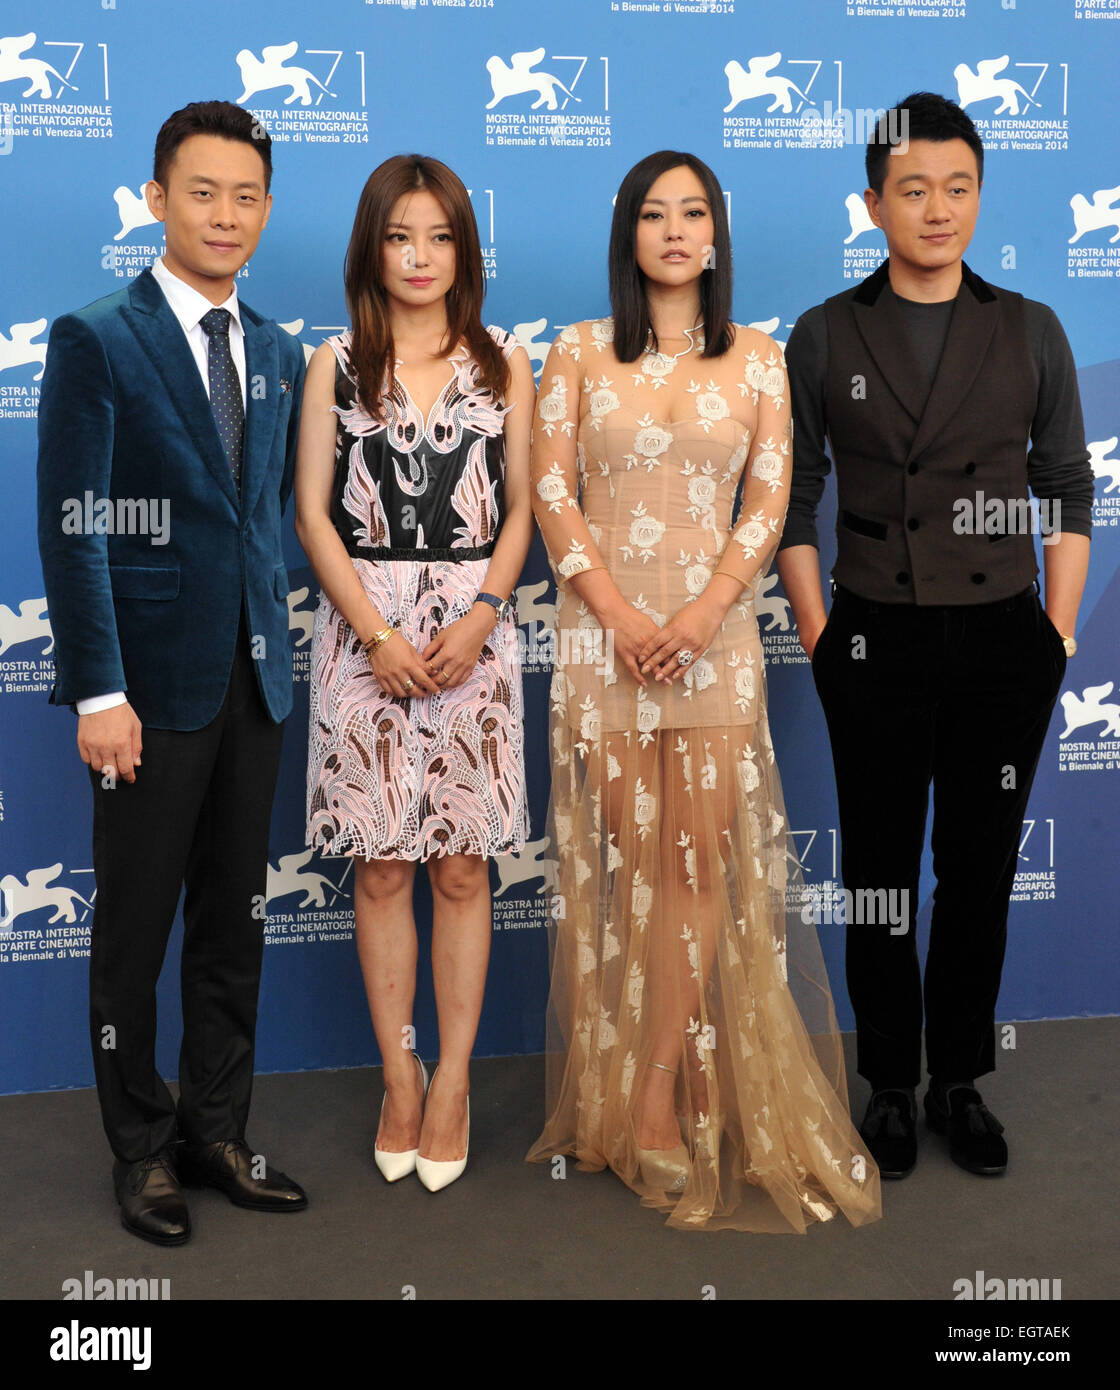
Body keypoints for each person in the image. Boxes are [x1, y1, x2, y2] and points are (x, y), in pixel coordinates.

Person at [525, 151, 881, 1231]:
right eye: (653, 213)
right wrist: (629, 622)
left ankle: (651, 1098)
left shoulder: (762, 361)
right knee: (625, 870)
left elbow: (769, 507)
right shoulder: (578, 354)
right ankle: (635, 1085)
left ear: (716, 236)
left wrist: (695, 616)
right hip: (604, 645)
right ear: (627, 236)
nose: (674, 230)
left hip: (715, 643)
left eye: (693, 213)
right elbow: (550, 496)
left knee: (693, 863)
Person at [777, 93, 1093, 1180]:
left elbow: (1065, 492)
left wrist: (1053, 634)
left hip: (1003, 636)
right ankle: (889, 1085)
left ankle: (960, 1079)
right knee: (876, 874)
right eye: (912, 189)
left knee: (977, 871)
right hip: (871, 638)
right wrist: (821, 636)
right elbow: (793, 498)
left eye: (957, 187)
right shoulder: (823, 332)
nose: (937, 208)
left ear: (978, 197)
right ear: (873, 204)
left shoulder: (1029, 327)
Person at [36, 101, 308, 1245]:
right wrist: (101, 691)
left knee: (232, 925)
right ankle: (141, 1147)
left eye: (247, 196)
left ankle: (216, 1129)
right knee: (135, 931)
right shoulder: (100, 336)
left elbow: (263, 522)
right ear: (157, 200)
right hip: (145, 691)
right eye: (203, 192)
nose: (226, 215)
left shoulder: (282, 349)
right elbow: (75, 524)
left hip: (255, 682)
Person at [295, 155, 534, 1192]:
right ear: (372, 247)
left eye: (439, 236)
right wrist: (375, 636)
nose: (421, 256)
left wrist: (482, 614)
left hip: (473, 639)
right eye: (401, 236)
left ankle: (455, 1083)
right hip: (364, 636)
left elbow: (522, 507)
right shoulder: (334, 363)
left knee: (462, 867)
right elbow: (312, 513)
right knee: (382, 865)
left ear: (463, 250)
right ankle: (400, 1070)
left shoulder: (504, 361)